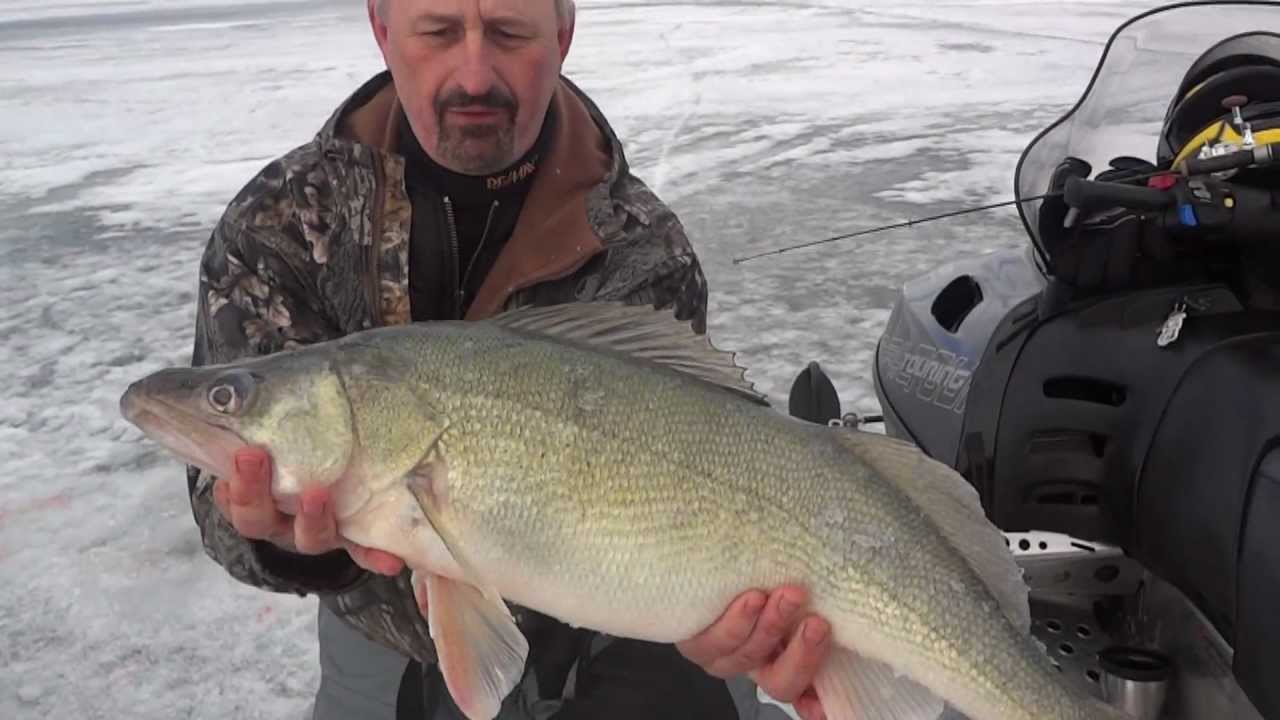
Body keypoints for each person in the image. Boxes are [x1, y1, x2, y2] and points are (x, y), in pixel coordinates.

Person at [184, 1, 832, 718]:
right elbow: (216, 502)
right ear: (382, 29)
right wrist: (291, 544)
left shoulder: (642, 250)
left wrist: (727, 622)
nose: (474, 75)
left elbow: (702, 474)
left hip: (616, 610)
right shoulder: (280, 223)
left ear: (563, 35)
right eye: (438, 31)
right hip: (379, 622)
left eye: (508, 33)